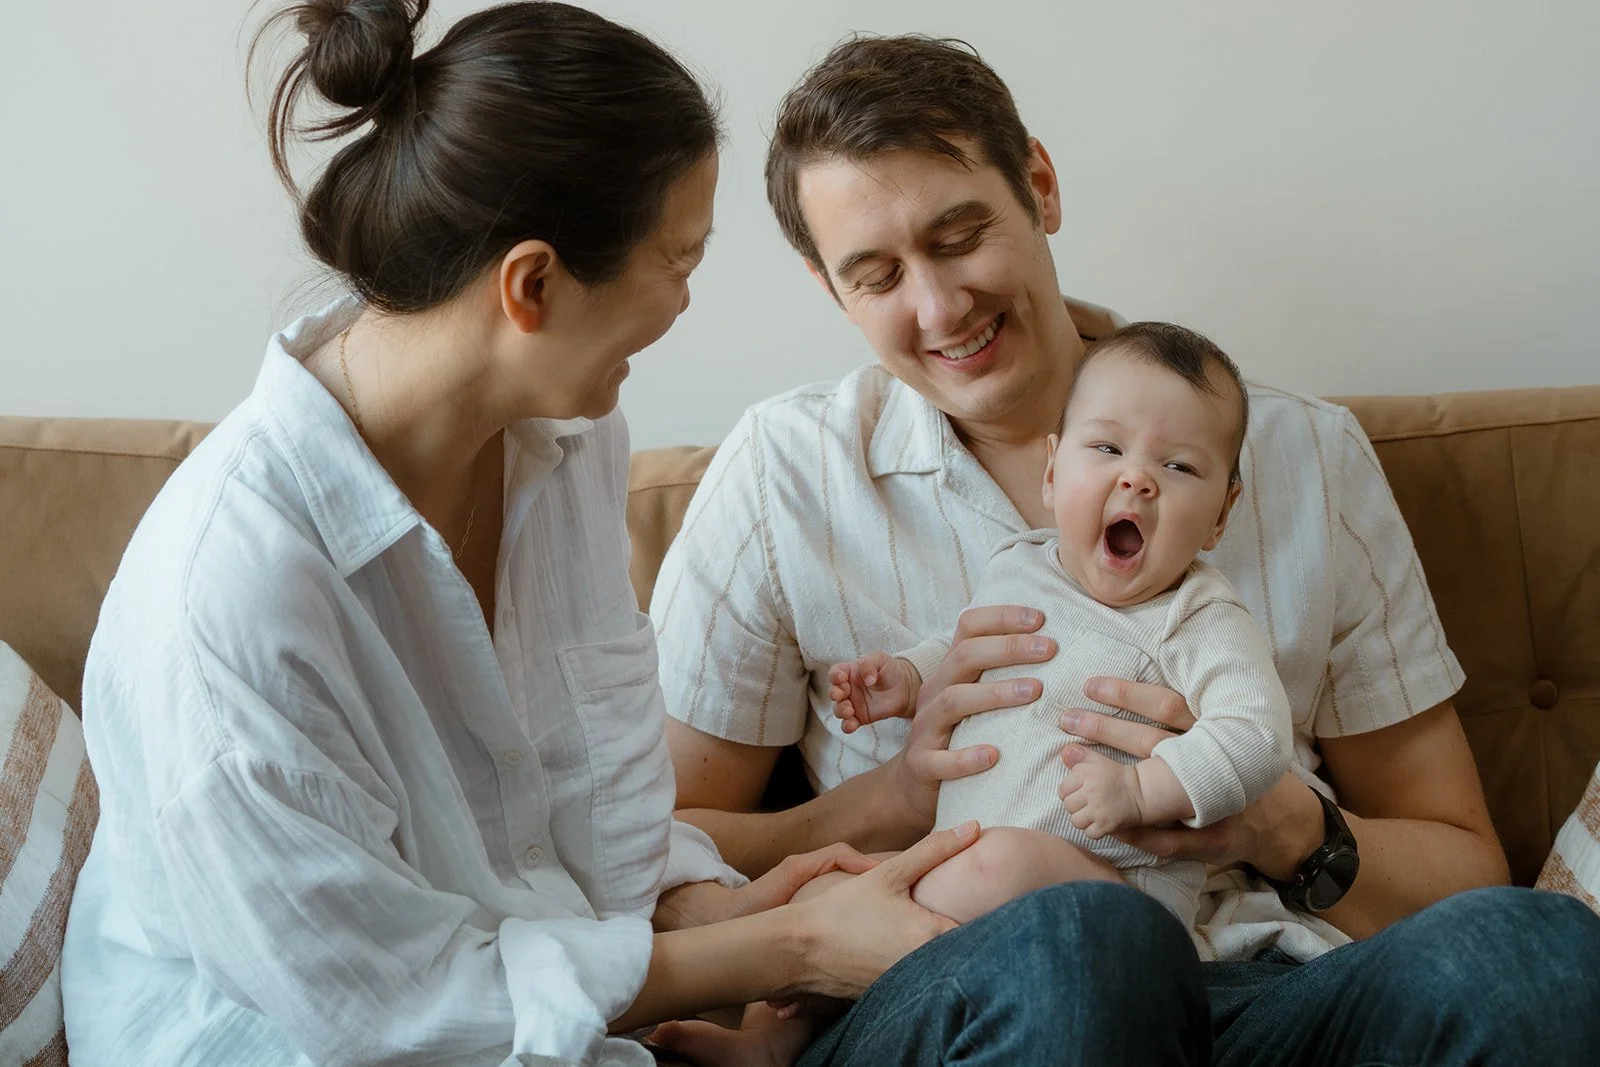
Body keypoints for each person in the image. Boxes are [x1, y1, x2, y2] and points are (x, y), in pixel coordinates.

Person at [652, 32, 1600, 1067]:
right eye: (876, 274)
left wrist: (1280, 826)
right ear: (830, 288)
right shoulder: (785, 474)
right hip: (956, 982)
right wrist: (889, 798)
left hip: (1252, 986)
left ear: (1040, 188)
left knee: (1533, 950)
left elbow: (1468, 871)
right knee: (1085, 945)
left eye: (960, 234)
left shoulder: (1295, 454)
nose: (937, 305)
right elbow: (657, 849)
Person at [57, 6, 983, 1065]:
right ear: (532, 283)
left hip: (568, 1006)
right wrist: (783, 946)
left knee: (1052, 954)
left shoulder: (567, 440)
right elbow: (392, 1007)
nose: (687, 299)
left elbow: (598, 804)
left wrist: (692, 905)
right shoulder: (228, 597)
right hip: (296, 1045)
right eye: (677, 259)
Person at [835, 321, 1293, 931]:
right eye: (1107, 449)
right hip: (962, 865)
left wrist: (1142, 791)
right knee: (829, 887)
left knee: (995, 865)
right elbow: (969, 648)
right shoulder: (1019, 564)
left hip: (1118, 898)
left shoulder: (1198, 617)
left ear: (1220, 517)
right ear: (1052, 473)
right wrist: (910, 675)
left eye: (1179, 466)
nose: (1137, 479)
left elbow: (1257, 734)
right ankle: (766, 1031)